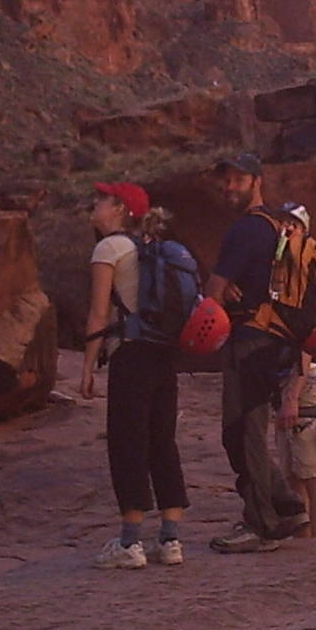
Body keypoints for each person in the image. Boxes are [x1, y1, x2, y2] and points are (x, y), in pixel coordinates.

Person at [204, 153, 310, 553]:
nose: (228, 187)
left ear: (256, 181)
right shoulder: (275, 226)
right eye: (224, 181)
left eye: (237, 180)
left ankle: (261, 524)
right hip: (274, 340)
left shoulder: (247, 229)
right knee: (247, 430)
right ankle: (286, 505)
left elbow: (213, 290)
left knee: (241, 433)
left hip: (249, 339)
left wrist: (221, 290)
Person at [83, 181, 188, 569]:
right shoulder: (153, 247)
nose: (94, 205)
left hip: (131, 355)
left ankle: (130, 543)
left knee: (129, 442)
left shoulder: (109, 247)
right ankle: (171, 540)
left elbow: (98, 314)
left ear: (121, 209)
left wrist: (88, 367)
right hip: (164, 352)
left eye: (102, 200)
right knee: (162, 440)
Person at [278, 351, 316, 538]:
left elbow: (306, 348)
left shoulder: (299, 322)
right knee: (293, 473)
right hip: (287, 381)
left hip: (302, 385)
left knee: (313, 472)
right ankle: (303, 540)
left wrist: (292, 396)